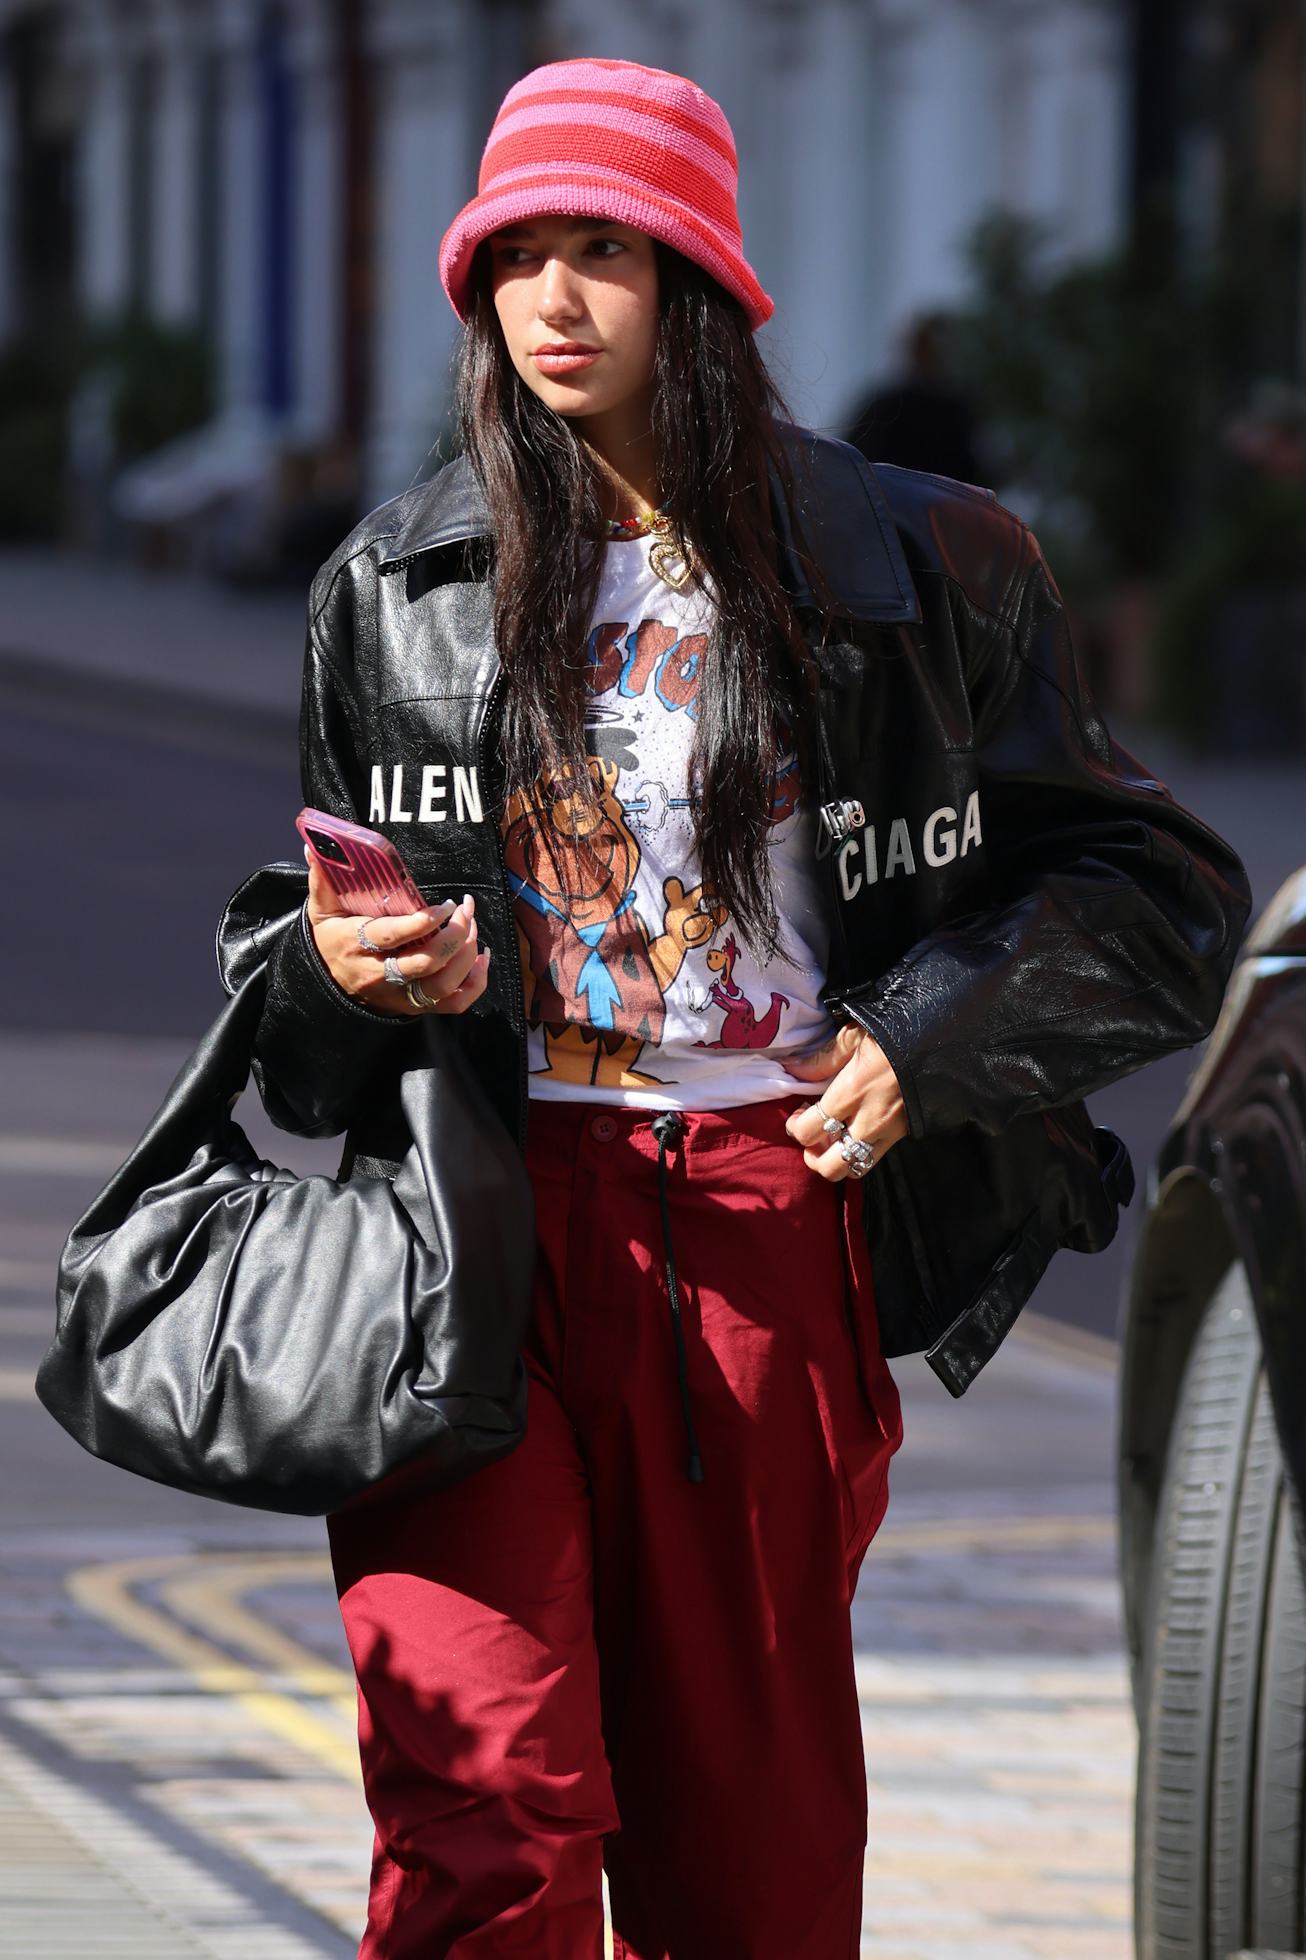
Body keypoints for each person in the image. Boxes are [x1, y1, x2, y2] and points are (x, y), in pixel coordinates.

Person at [216, 56, 1251, 1960]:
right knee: (484, 1805)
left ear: (698, 282)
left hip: (763, 1237)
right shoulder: (393, 582)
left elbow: (1160, 892)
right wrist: (330, 964)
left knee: (744, 1868)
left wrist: (928, 1032)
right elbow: (295, 1004)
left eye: (601, 249)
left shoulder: (922, 566)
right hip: (470, 1230)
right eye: (514, 254)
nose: (549, 299)